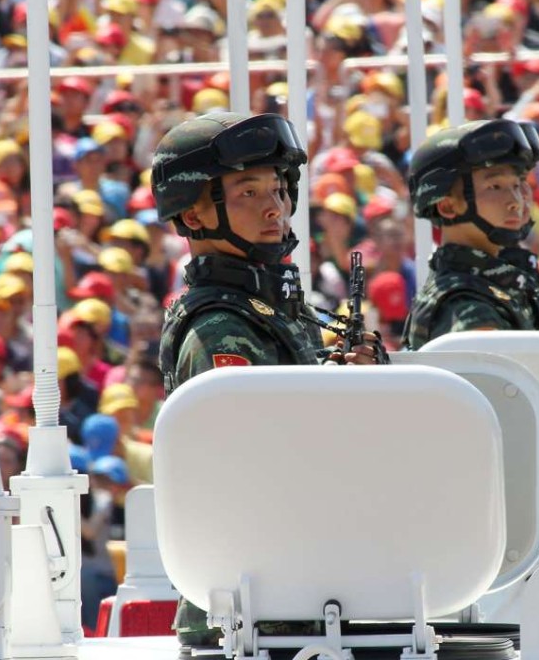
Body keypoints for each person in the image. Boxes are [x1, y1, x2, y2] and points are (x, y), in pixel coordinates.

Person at [151, 112, 378, 648]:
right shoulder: (221, 330)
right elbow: (256, 467)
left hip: (297, 599)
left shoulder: (270, 309)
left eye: (278, 188)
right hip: (249, 619)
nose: (274, 206)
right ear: (194, 210)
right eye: (248, 191)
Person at [402, 119, 539, 350]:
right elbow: (501, 381)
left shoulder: (508, 283)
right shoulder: (463, 303)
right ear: (449, 207)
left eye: (519, 184)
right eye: (495, 187)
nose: (515, 201)